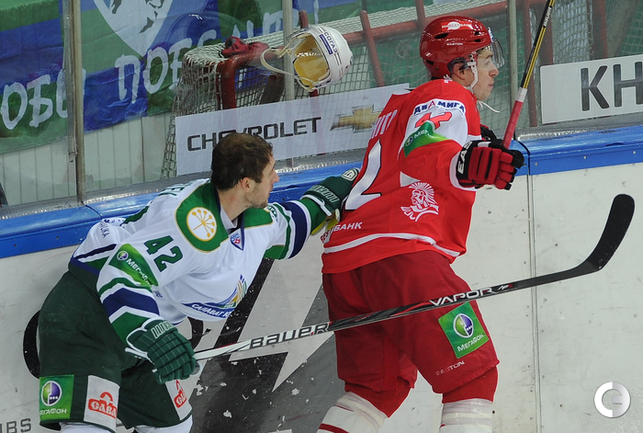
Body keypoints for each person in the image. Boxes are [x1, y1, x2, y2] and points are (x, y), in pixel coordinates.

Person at [37, 132, 359, 433]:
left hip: (138, 335)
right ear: (246, 183)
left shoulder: (250, 215)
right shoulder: (190, 223)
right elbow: (121, 273)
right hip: (89, 318)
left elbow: (292, 224)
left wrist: (340, 186)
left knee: (173, 427)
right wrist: (157, 335)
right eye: (270, 171)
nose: (277, 178)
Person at [316, 16, 524, 433]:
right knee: (474, 376)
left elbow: (418, 147)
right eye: (487, 59)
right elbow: (423, 148)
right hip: (401, 261)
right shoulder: (448, 93)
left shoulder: (400, 106)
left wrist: (473, 148)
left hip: (346, 266)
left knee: (375, 391)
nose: (494, 70)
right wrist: (465, 162)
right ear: (461, 68)